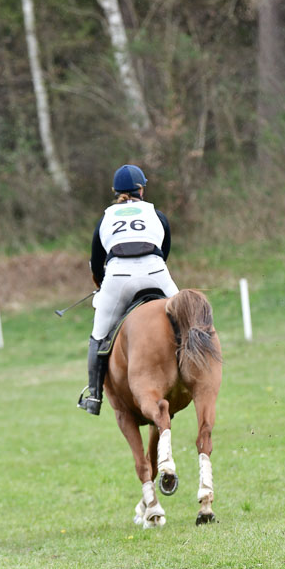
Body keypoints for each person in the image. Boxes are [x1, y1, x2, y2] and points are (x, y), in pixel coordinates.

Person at [78, 164, 179, 415]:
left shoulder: (105, 218)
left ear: (115, 192)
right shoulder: (157, 214)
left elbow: (96, 261)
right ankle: (199, 372)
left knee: (99, 335)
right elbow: (164, 251)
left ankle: (94, 395)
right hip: (156, 273)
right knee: (188, 319)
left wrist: (102, 288)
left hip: (118, 278)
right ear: (141, 189)